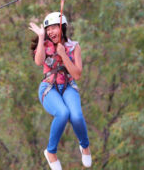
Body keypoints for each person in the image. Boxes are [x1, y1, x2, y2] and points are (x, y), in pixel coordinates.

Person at [29, 12, 92, 170]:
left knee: (76, 116)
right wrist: (42, 36)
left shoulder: (73, 47)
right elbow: (39, 61)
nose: (51, 32)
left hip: (68, 86)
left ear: (62, 28)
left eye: (54, 28)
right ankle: (51, 152)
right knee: (63, 113)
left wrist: (63, 54)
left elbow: (77, 74)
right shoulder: (45, 45)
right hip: (49, 88)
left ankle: (85, 146)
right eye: (48, 29)